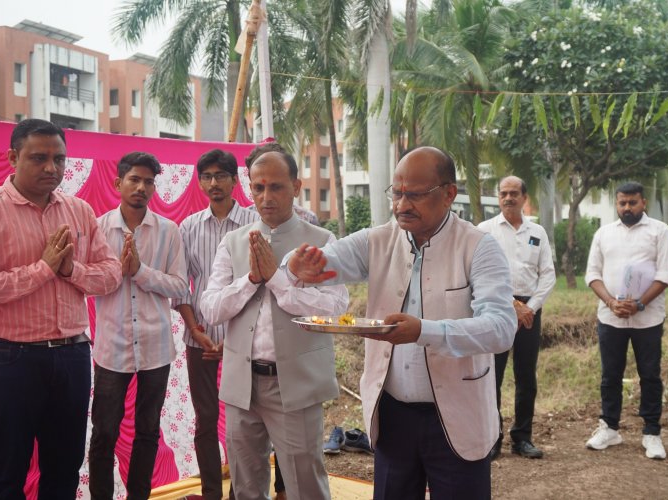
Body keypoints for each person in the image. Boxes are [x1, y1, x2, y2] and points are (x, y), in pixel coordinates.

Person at [286, 146, 517, 499]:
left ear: (449, 194)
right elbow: (325, 261)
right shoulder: (378, 240)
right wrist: (298, 265)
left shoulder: (478, 247)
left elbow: (501, 327)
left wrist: (425, 331)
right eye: (396, 193)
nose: (401, 205)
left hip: (458, 414)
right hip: (392, 415)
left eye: (415, 195)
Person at [200, 142, 348, 500]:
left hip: (294, 384)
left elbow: (334, 309)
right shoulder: (233, 241)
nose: (266, 196)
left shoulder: (321, 242)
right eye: (258, 187)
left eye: (277, 186)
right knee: (246, 482)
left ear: (297, 187)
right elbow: (211, 308)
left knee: (305, 483)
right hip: (241, 383)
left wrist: (277, 280)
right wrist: (251, 279)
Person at [0, 119, 122, 498]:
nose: (52, 168)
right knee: (4, 471)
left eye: (59, 159)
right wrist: (44, 269)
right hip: (9, 359)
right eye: (39, 158)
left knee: (64, 469)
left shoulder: (79, 210)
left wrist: (70, 269)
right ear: (14, 158)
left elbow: (112, 273)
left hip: (72, 356)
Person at [89, 151, 188, 499]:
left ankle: (139, 496)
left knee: (148, 431)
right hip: (111, 349)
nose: (142, 187)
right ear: (118, 183)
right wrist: (118, 271)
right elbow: (86, 282)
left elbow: (180, 286)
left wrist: (141, 272)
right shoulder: (98, 228)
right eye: (134, 179)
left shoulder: (168, 231)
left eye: (149, 181)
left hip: (156, 348)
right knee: (104, 433)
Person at [173, 149, 259, 500]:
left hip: (247, 339)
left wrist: (237, 338)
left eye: (221, 176)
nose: (213, 183)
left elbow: (264, 285)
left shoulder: (256, 224)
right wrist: (196, 331)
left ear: (236, 180)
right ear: (199, 181)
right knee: (205, 421)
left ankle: (244, 492)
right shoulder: (189, 226)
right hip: (201, 339)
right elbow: (182, 286)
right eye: (206, 177)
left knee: (250, 423)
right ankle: (211, 493)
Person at [584, 181, 668, 460]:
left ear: (643, 202)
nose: (627, 208)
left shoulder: (660, 232)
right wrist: (612, 302)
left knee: (649, 375)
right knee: (610, 375)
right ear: (617, 204)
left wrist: (638, 304)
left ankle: (651, 433)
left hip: (647, 318)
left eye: (632, 202)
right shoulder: (604, 234)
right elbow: (592, 274)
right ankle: (610, 428)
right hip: (610, 317)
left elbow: (666, 275)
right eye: (622, 203)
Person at [478, 176, 556, 460]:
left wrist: (530, 308)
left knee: (526, 376)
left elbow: (547, 274)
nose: (508, 198)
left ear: (524, 198)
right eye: (503, 193)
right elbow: (480, 275)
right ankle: (492, 438)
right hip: (495, 308)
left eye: (514, 193)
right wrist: (512, 304)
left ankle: (522, 438)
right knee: (492, 376)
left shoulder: (538, 232)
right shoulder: (484, 230)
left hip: (529, 313)